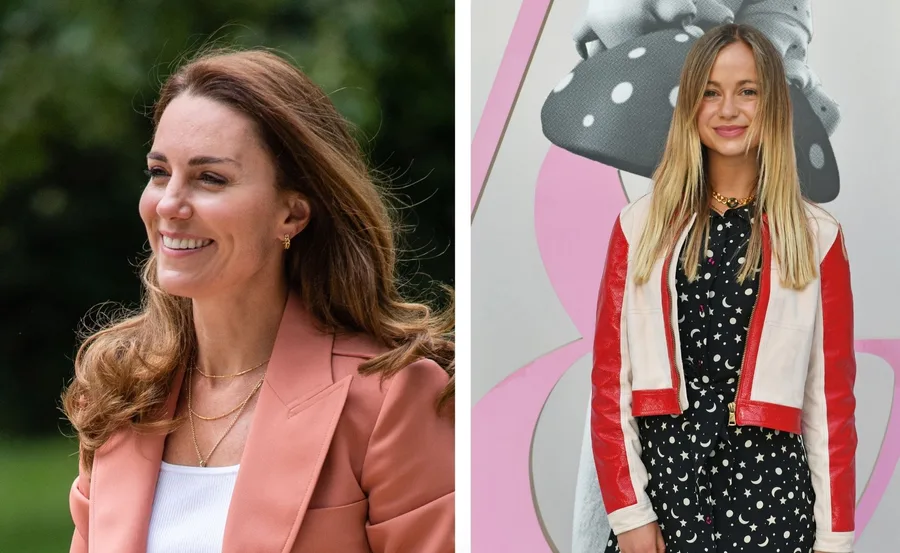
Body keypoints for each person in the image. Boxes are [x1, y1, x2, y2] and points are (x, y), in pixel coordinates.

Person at [62, 49, 455, 553]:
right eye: (159, 172)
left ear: (291, 215)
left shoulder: (389, 400)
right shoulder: (120, 397)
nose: (168, 204)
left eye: (210, 178)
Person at [590, 24, 856, 553]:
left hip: (771, 507)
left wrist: (833, 542)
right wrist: (630, 516)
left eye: (747, 91)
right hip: (666, 499)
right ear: (690, 104)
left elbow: (830, 408)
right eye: (711, 92)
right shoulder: (638, 228)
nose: (728, 109)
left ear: (772, 104)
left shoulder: (816, 237)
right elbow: (609, 386)